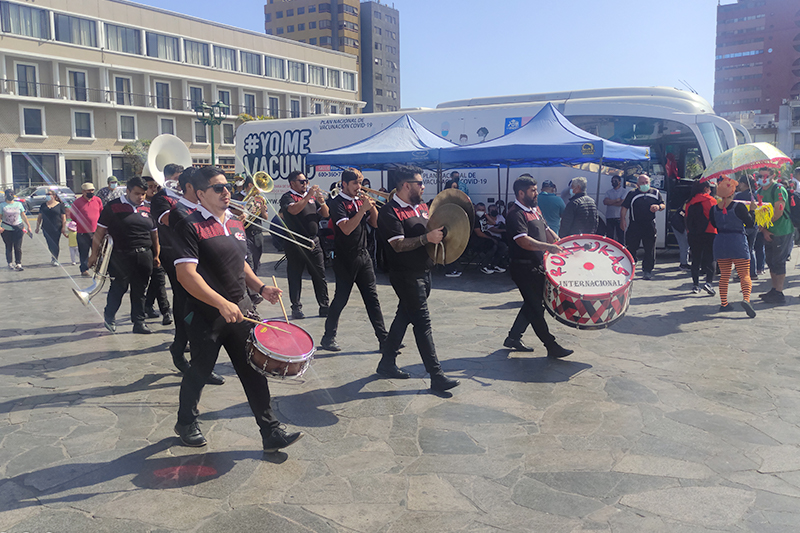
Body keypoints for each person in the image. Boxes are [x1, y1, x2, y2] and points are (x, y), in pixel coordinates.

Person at [172, 166, 302, 452]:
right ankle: (185, 421)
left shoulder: (234, 222)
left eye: (227, 186)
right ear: (201, 193)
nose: (226, 191)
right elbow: (186, 275)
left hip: (241, 310)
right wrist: (220, 303)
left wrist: (260, 288)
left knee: (253, 369)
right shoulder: (188, 223)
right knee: (201, 370)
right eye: (218, 188)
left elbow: (240, 263)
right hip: (207, 313)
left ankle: (270, 432)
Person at [376, 165, 460, 392]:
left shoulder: (422, 207)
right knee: (423, 323)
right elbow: (397, 245)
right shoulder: (390, 211)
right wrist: (426, 238)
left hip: (424, 271)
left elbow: (432, 231)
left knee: (404, 316)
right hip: (405, 275)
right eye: (419, 183)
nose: (423, 187)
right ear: (406, 185)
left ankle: (386, 363)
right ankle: (436, 375)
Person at [502, 175, 573, 358]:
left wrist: (560, 242)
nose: (536, 194)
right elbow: (523, 241)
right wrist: (548, 247)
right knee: (535, 307)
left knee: (533, 304)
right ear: (521, 192)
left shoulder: (535, 210)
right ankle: (551, 345)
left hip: (537, 267)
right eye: (532, 191)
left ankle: (513, 337)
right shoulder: (515, 213)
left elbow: (546, 229)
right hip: (522, 268)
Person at [320, 168, 388, 352]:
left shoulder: (360, 201)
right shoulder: (336, 203)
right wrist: (362, 210)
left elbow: (375, 223)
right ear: (344, 184)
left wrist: (371, 207)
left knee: (372, 299)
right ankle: (328, 337)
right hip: (345, 258)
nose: (360, 187)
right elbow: (347, 229)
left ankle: (384, 339)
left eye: (361, 182)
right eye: (356, 183)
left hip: (363, 254)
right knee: (341, 299)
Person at [89, 177, 160, 334]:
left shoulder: (148, 208)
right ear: (127, 191)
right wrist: (93, 255)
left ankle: (139, 322)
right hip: (121, 256)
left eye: (143, 194)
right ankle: (110, 316)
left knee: (140, 290)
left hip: (144, 255)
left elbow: (154, 234)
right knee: (118, 288)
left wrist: (156, 255)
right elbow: (99, 232)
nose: (140, 197)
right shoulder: (113, 207)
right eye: (136, 194)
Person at [279, 171, 330, 319]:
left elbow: (326, 214)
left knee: (320, 275)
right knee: (295, 276)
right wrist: (308, 196)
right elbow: (293, 210)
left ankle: (324, 306)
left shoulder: (312, 198)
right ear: (292, 183)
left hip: (314, 241)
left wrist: (321, 200)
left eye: (306, 181)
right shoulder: (287, 197)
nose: (305, 184)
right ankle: (296, 307)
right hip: (296, 242)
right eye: (302, 182)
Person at [712, 175, 756, 317]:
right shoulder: (739, 206)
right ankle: (746, 299)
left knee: (724, 274)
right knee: (744, 274)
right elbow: (750, 223)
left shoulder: (714, 209)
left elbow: (713, 224)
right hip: (737, 240)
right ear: (732, 191)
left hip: (720, 241)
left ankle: (724, 303)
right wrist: (753, 210)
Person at [756, 168, 793, 304]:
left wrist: (764, 226)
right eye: (759, 176)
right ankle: (774, 289)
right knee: (770, 261)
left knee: (779, 261)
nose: (761, 178)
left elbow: (778, 211)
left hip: (781, 231)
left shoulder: (778, 190)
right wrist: (764, 230)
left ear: (773, 175)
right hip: (768, 231)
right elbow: (758, 214)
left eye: (764, 175)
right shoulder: (759, 192)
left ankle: (779, 292)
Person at [620, 174, 665, 280]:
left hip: (649, 225)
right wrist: (622, 220)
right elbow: (624, 207)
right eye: (642, 183)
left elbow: (663, 205)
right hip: (635, 225)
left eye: (647, 182)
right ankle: (630, 268)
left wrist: (658, 207)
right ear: (637, 184)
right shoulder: (632, 193)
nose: (645, 185)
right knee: (631, 247)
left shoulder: (655, 193)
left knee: (649, 248)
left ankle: (647, 270)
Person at [143, 176, 171, 324]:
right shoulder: (140, 204)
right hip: (148, 246)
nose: (153, 189)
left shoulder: (161, 201)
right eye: (149, 186)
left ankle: (147, 305)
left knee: (157, 280)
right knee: (159, 280)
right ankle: (166, 311)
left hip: (164, 244)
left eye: (155, 186)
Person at [685, 180, 717, 295]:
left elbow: (687, 218)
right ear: (705, 189)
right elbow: (715, 217)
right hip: (710, 232)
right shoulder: (711, 201)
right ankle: (708, 283)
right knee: (711, 258)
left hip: (693, 233)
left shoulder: (689, 202)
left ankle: (695, 285)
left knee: (696, 259)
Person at [232, 175, 267, 277]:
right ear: (251, 185)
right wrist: (243, 212)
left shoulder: (259, 199)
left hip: (257, 233)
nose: (259, 190)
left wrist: (263, 210)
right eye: (258, 186)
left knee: (256, 263)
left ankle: (254, 287)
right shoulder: (236, 197)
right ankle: (252, 292)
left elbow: (265, 217)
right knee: (249, 262)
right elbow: (228, 211)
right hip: (243, 233)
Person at [69, 183, 104, 277]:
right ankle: (84, 269)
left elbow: (101, 213)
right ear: (83, 192)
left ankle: (99, 269)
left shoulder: (97, 200)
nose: (91, 192)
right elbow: (73, 216)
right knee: (83, 252)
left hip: (96, 232)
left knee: (98, 251)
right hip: (82, 233)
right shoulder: (77, 202)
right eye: (88, 191)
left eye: (92, 190)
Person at [734, 175, 759, 279]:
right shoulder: (755, 195)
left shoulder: (738, 196)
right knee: (751, 249)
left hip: (743, 225)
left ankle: (743, 274)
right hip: (754, 225)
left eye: (740, 183)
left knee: (742, 251)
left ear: (744, 184)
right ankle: (753, 272)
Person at [35, 188, 68, 266]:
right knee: (49, 243)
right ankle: (53, 256)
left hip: (57, 227)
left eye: (49, 194)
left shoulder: (60, 205)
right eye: (47, 195)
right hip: (46, 227)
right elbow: (40, 217)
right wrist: (37, 227)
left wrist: (64, 227)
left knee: (55, 243)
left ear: (54, 196)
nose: (47, 196)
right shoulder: (43, 205)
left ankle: (55, 258)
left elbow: (63, 217)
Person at [0, 189, 32, 271]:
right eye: (8, 194)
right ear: (5, 196)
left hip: (18, 228)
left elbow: (23, 215)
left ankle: (18, 263)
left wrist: (28, 226)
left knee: (18, 247)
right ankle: (10, 263)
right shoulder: (2, 205)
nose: (10, 195)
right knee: (8, 246)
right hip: (6, 229)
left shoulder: (19, 204)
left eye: (12, 194)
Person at [472, 202, 507, 274]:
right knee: (493, 246)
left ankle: (495, 265)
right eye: (479, 209)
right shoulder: (474, 219)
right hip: (478, 239)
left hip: (486, 236)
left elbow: (493, 223)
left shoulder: (483, 217)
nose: (481, 211)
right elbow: (479, 233)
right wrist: (491, 238)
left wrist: (486, 215)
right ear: (475, 210)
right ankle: (484, 266)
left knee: (503, 246)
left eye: (483, 209)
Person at [603, 175, 627, 243]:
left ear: (619, 182)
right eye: (612, 181)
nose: (613, 182)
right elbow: (605, 202)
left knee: (620, 237)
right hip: (609, 217)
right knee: (609, 237)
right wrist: (616, 200)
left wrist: (610, 202)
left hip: (619, 218)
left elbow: (622, 203)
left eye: (615, 181)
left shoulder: (624, 191)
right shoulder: (608, 192)